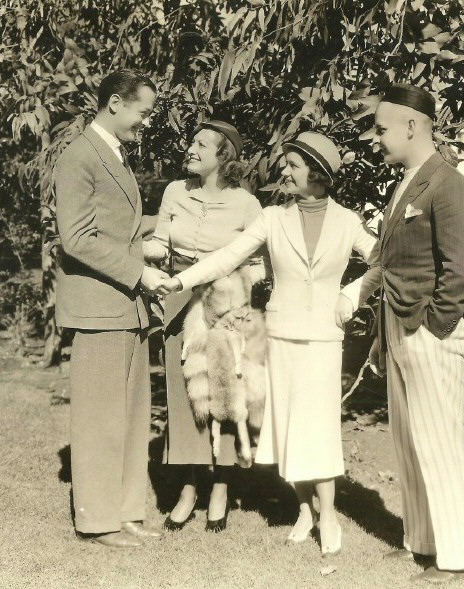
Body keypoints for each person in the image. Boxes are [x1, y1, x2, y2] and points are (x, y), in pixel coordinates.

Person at [160, 132, 377, 557]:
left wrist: (352, 295)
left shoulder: (348, 221)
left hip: (325, 336)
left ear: (317, 172)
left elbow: (382, 261)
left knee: (321, 423)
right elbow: (230, 255)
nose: (285, 171)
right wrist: (182, 279)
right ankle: (303, 509)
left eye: (294, 164)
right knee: (287, 423)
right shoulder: (274, 217)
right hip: (280, 331)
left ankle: (328, 513)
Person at [341, 83, 464, 582]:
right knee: (409, 441)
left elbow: (463, 270)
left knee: (442, 439)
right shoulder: (406, 183)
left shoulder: (448, 184)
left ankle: (461, 557)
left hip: (430, 332)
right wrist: (387, 335)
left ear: (411, 126)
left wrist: (434, 328)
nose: (375, 139)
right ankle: (422, 544)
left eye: (381, 129)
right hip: (400, 329)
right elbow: (390, 265)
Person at [54, 69, 168, 548]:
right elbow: (76, 238)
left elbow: (115, 226)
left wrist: (162, 229)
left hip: (125, 308)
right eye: (142, 113)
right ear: (116, 103)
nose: (145, 123)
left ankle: (125, 512)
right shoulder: (79, 155)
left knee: (130, 416)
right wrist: (140, 272)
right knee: (101, 417)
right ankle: (98, 520)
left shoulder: (113, 155)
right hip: (100, 308)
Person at [143, 120, 265, 533]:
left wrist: (235, 290)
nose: (190, 149)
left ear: (223, 156)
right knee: (183, 395)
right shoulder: (176, 191)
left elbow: (262, 262)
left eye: (201, 144)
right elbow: (161, 242)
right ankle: (191, 485)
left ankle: (222, 485)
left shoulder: (246, 204)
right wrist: (136, 252)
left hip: (225, 306)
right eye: (192, 142)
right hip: (177, 300)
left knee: (223, 390)